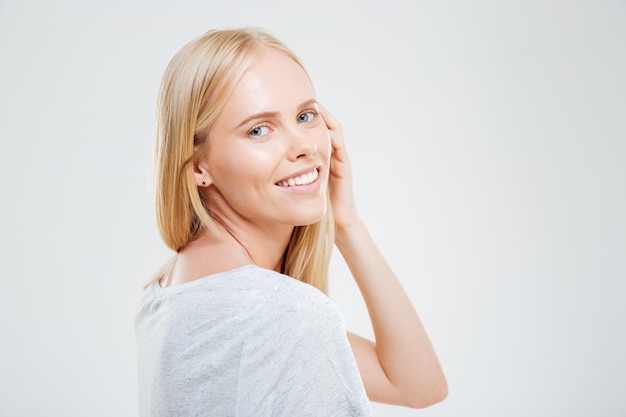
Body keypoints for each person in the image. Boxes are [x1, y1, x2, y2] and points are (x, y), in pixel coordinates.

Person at [135, 27, 447, 416]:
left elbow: (417, 386)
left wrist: (346, 223)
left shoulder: (169, 292)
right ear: (200, 166)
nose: (304, 146)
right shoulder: (286, 315)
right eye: (259, 129)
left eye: (305, 115)